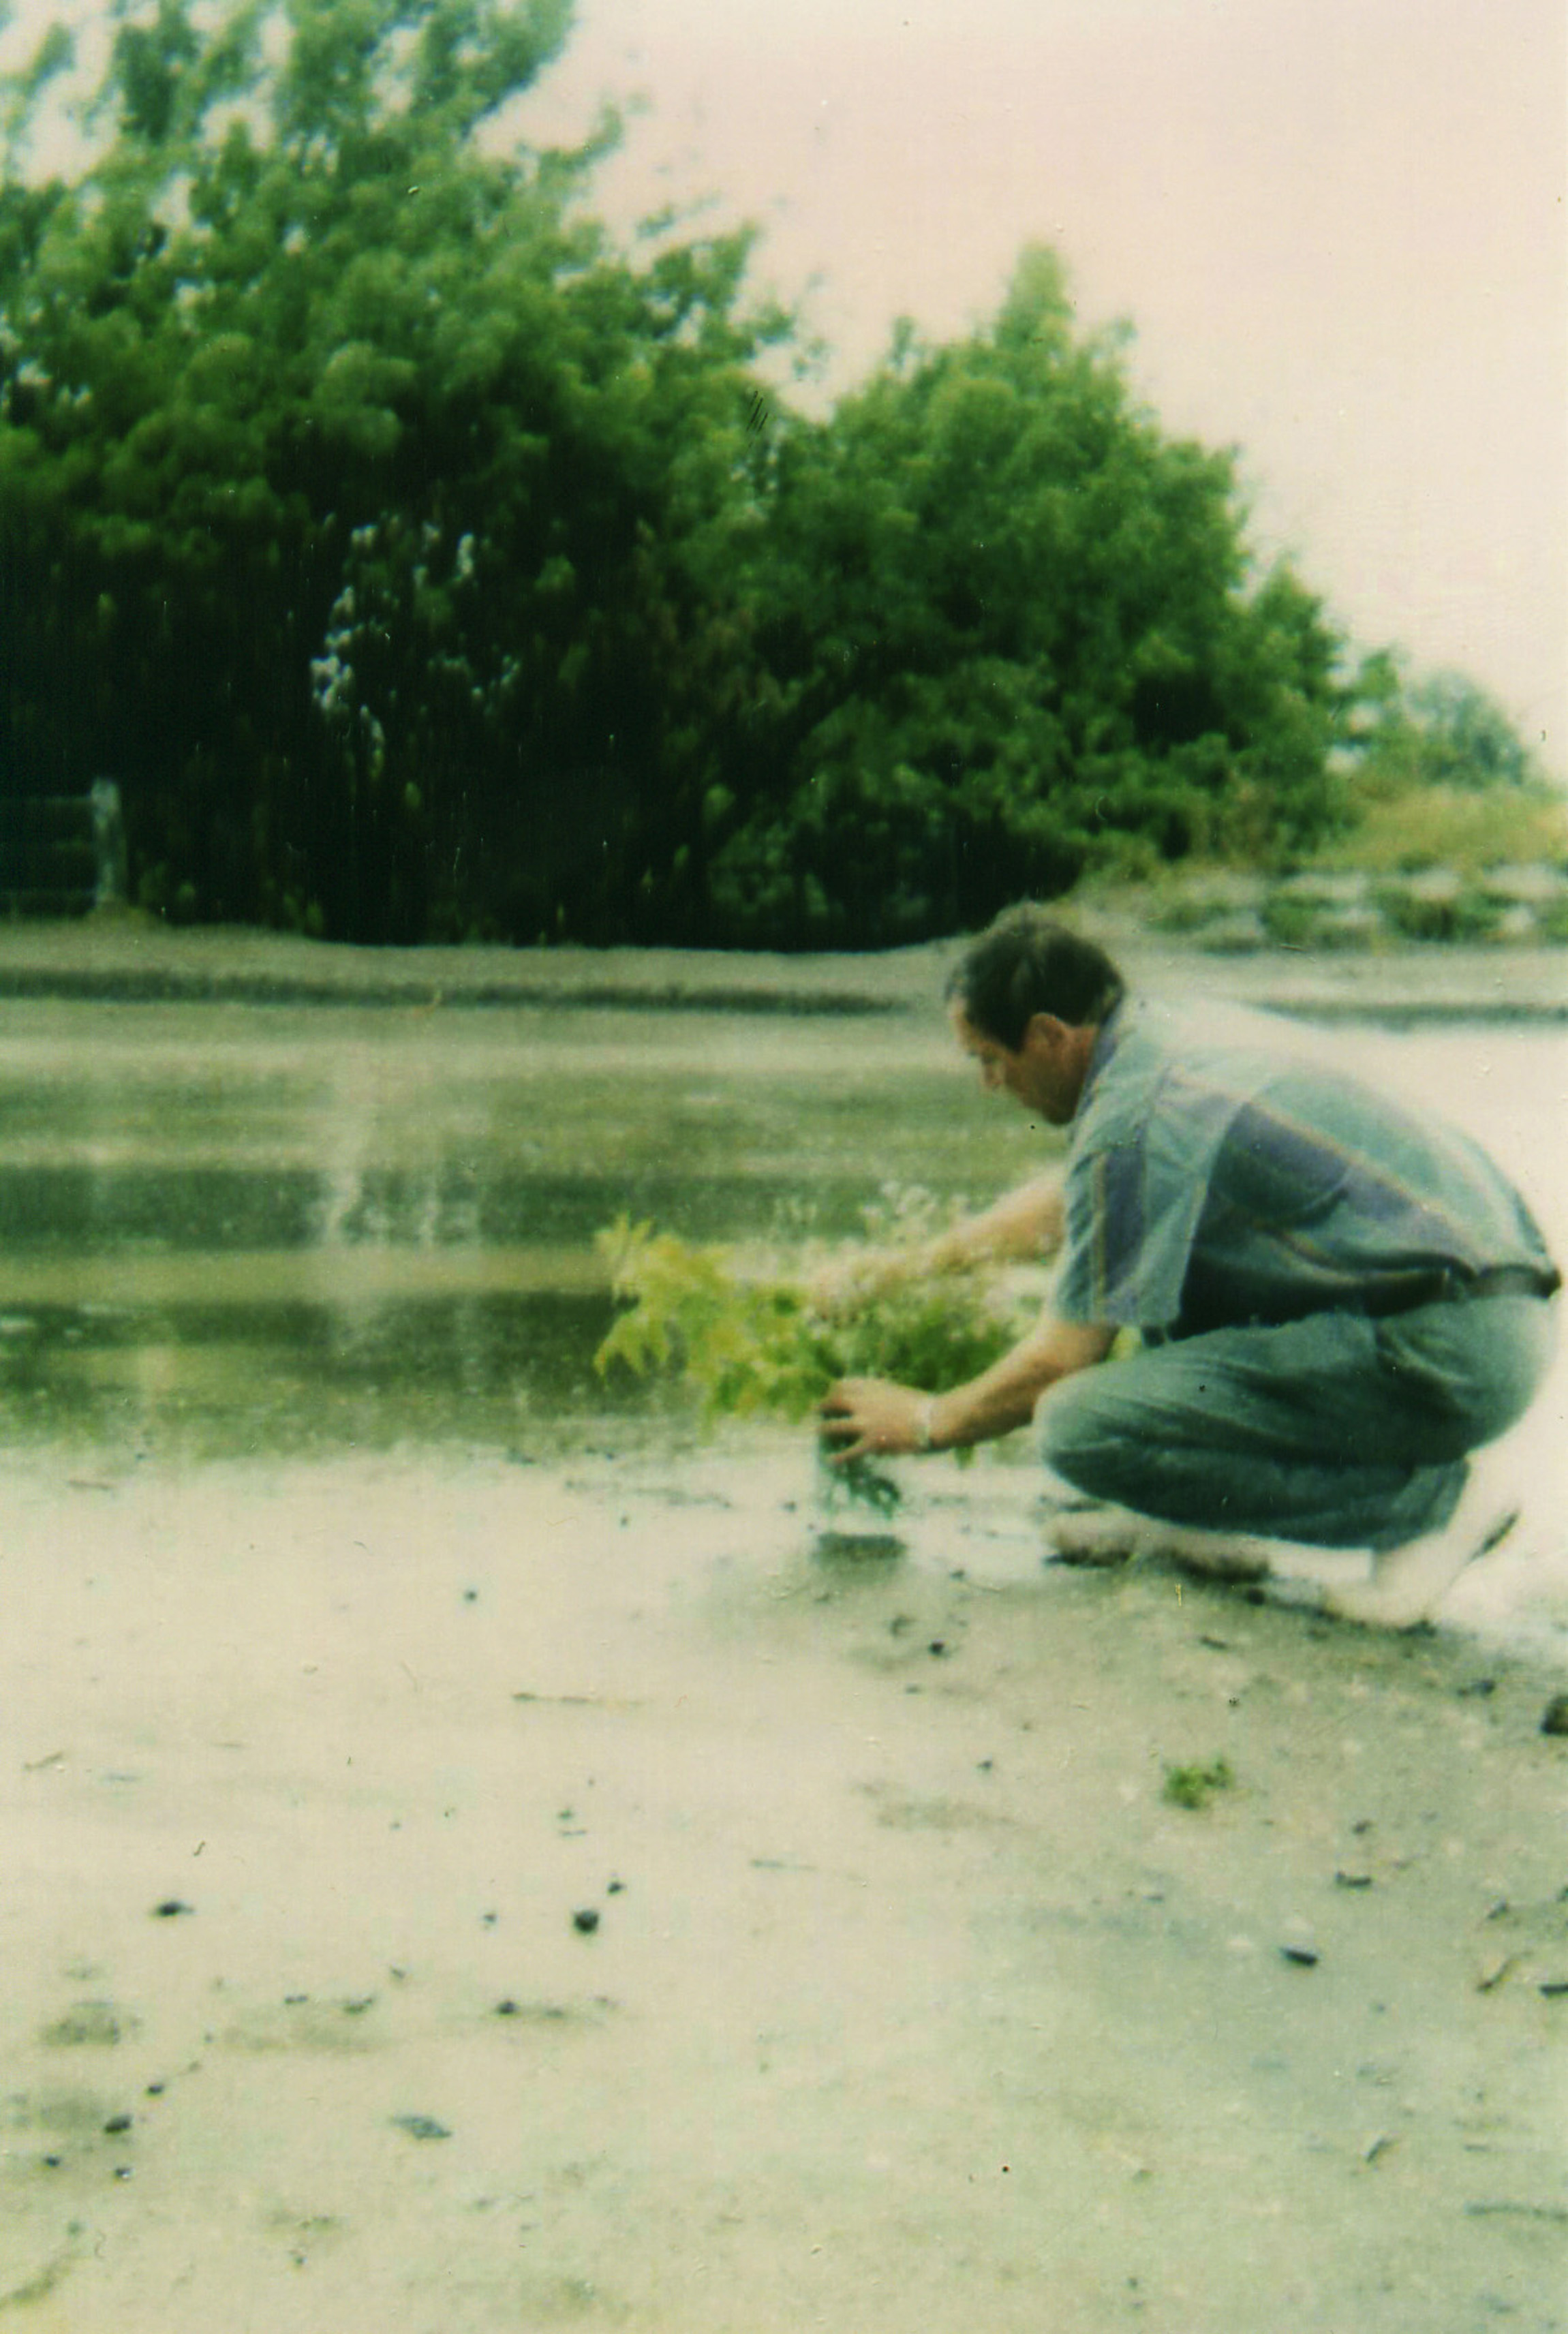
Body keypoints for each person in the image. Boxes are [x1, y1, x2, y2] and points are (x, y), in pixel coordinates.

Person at [818, 904, 1561, 1627]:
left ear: (1047, 1035)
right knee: (1150, 1265)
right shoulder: (1158, 1037)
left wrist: (923, 1421)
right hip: (1487, 1315)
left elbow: (1061, 1359)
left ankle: (1433, 1509)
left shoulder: (1136, 1114)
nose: (988, 1084)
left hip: (1451, 1348)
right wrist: (904, 1268)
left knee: (1078, 1425)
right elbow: (1080, 1204)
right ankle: (1197, 1521)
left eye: (989, 1059)